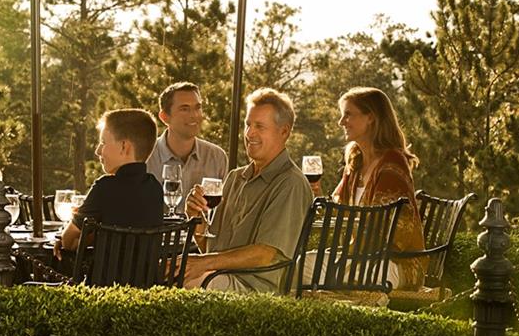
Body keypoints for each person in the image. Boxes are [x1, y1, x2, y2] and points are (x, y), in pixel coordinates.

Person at [183, 88, 311, 293]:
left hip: (257, 290)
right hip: (221, 276)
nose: (250, 133)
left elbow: (265, 254)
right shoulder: (235, 178)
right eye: (248, 124)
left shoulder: (291, 183)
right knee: (161, 268)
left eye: (260, 126)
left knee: (185, 279)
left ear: (284, 131)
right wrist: (197, 221)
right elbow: (211, 249)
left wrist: (203, 262)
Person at [327, 86, 426, 288]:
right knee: (302, 264)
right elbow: (339, 210)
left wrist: (347, 254)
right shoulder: (355, 163)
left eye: (348, 115)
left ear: (370, 117)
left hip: (395, 263)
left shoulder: (392, 165)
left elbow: (387, 231)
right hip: (361, 259)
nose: (341, 122)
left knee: (348, 274)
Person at [53, 108, 165, 260]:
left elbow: (68, 241)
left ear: (124, 147)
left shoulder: (104, 188)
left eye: (103, 142)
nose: (98, 151)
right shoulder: (155, 188)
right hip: (148, 283)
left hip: (105, 283)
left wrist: (78, 232)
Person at [145, 81, 228, 210]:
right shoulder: (145, 156)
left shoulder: (217, 157)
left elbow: (223, 212)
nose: (194, 115)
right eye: (185, 109)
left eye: (198, 108)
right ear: (164, 117)